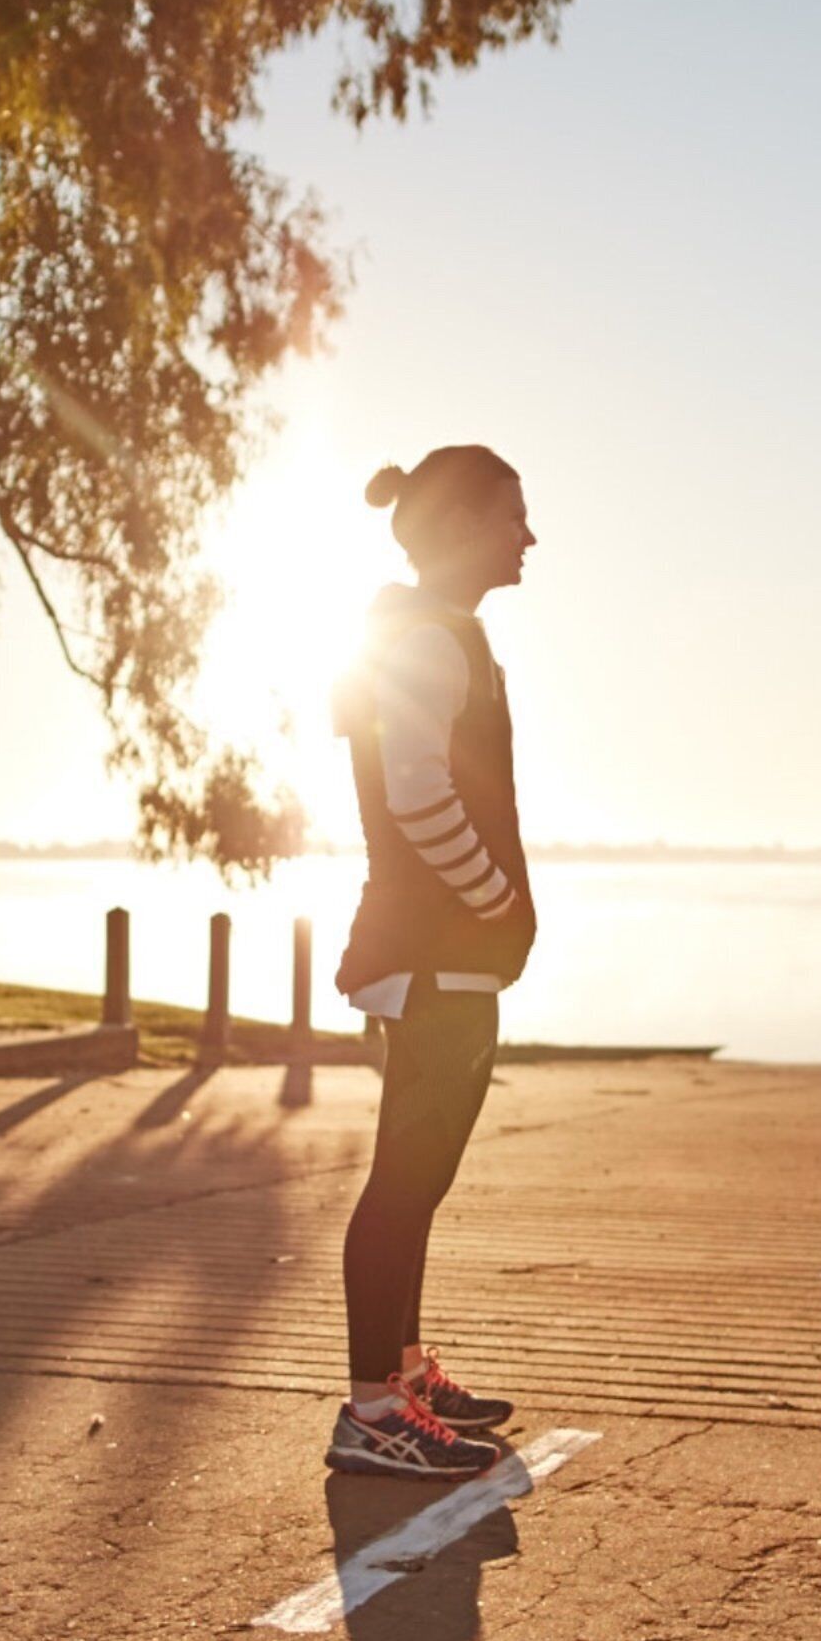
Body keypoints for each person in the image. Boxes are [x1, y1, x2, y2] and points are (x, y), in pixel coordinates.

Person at [324, 445, 541, 1480]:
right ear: (460, 529)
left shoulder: (441, 636)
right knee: (403, 1181)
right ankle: (372, 1408)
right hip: (430, 952)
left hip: (449, 956)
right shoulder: (422, 642)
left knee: (423, 1176)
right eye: (512, 518)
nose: (528, 537)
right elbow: (415, 792)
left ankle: (401, 1372)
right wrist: (492, 896)